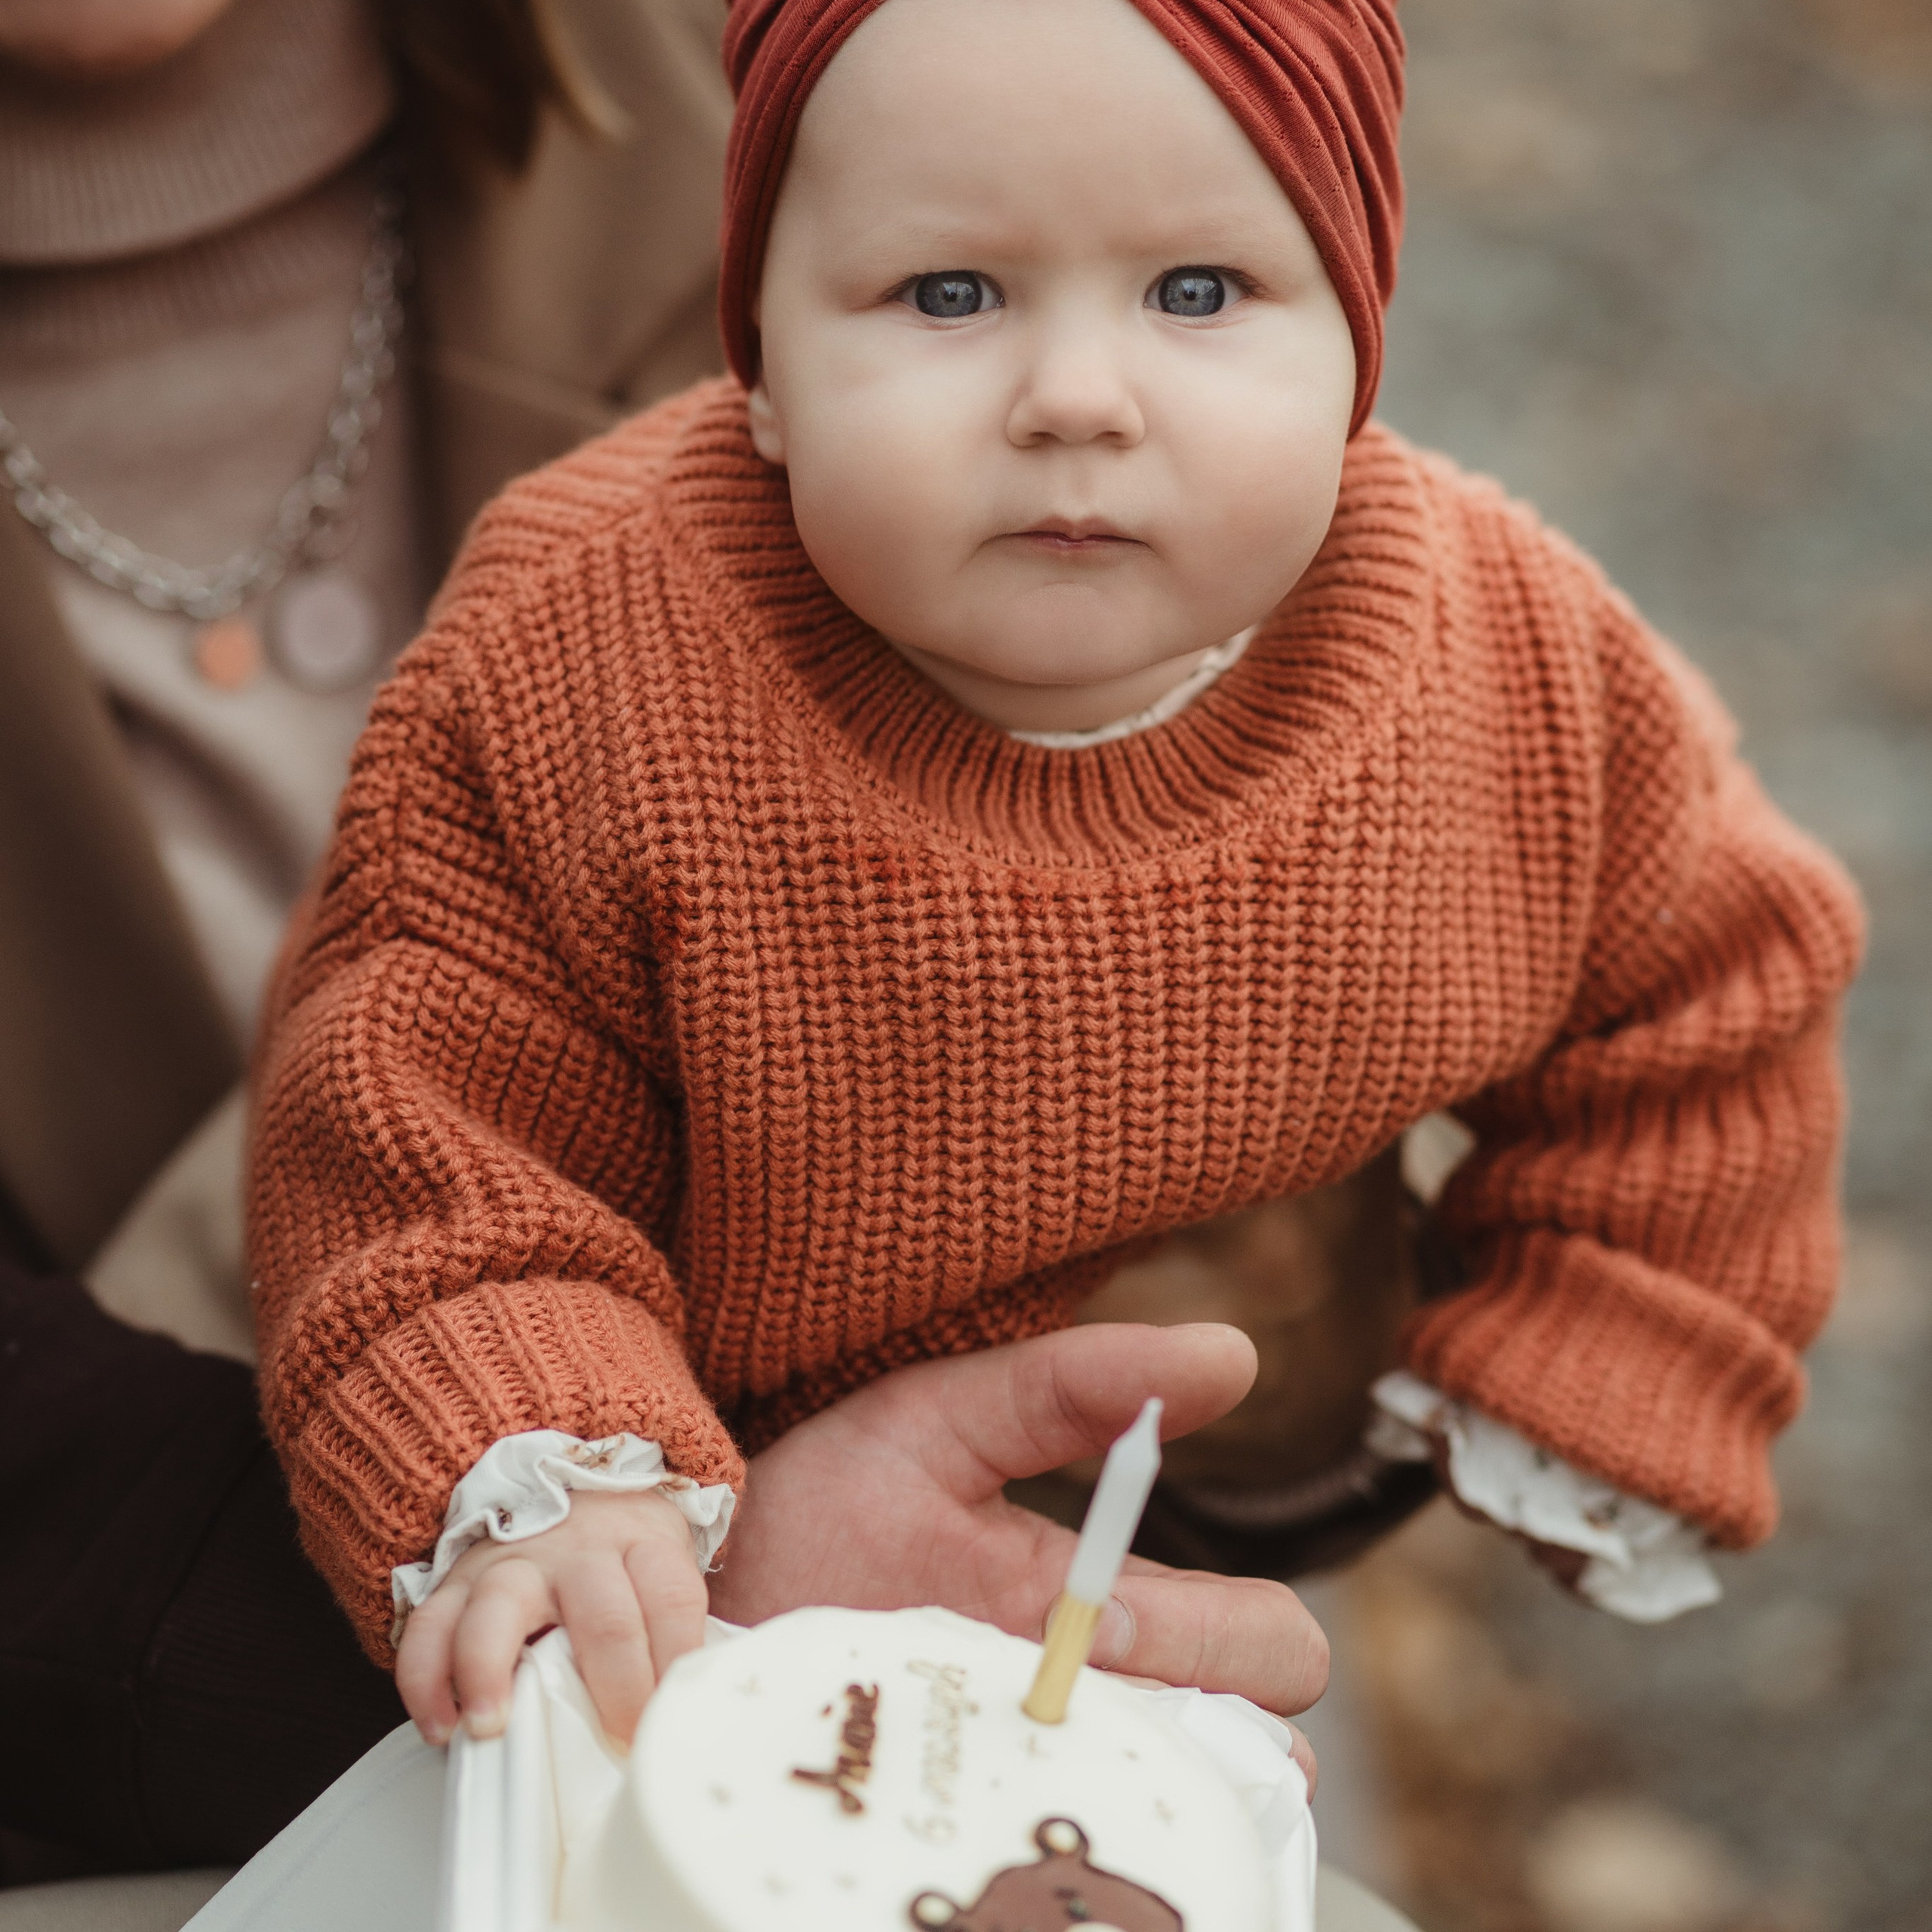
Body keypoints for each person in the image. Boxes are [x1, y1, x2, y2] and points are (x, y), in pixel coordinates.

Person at [245, 0, 1863, 1767]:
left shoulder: (1506, 656)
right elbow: (424, 1124)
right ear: (760, 359)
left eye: (1196, 291)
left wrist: (1610, 1339)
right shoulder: (584, 659)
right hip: (725, 1527)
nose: (1076, 398)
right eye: (948, 292)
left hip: (1221, 1477)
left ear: (1355, 338)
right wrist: (545, 1454)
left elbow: (1716, 976)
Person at [0, 0, 1411, 1884]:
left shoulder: (876, 75)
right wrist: (645, 1619)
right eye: (948, 296)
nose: (1077, 393)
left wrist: (1276, 1293)